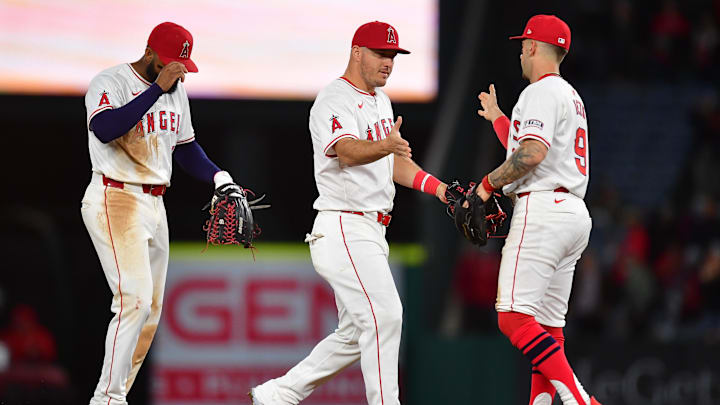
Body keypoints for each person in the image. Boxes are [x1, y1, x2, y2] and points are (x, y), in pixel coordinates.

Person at [250, 21, 448, 405]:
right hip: (343, 224)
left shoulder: (381, 101)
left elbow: (394, 163)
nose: (388, 62)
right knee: (385, 316)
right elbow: (347, 152)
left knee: (355, 333)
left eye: (392, 56)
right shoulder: (333, 100)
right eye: (380, 54)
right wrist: (384, 144)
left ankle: (278, 394)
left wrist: (441, 190)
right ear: (357, 51)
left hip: (371, 230)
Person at [82, 22, 246, 405]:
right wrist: (156, 90)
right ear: (150, 53)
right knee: (133, 300)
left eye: (184, 65)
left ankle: (116, 394)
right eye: (172, 62)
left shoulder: (176, 92)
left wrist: (220, 177)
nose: (178, 71)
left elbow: (186, 148)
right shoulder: (110, 81)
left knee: (150, 313)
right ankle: (107, 399)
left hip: (156, 203)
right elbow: (105, 128)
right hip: (115, 196)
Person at [474, 15, 601, 405]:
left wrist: (485, 186)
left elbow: (532, 153)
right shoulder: (570, 96)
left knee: (512, 317)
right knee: (547, 328)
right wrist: (499, 119)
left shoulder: (540, 92)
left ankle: (581, 400)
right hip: (573, 213)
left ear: (531, 47)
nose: (520, 52)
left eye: (522, 45)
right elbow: (527, 145)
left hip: (542, 209)